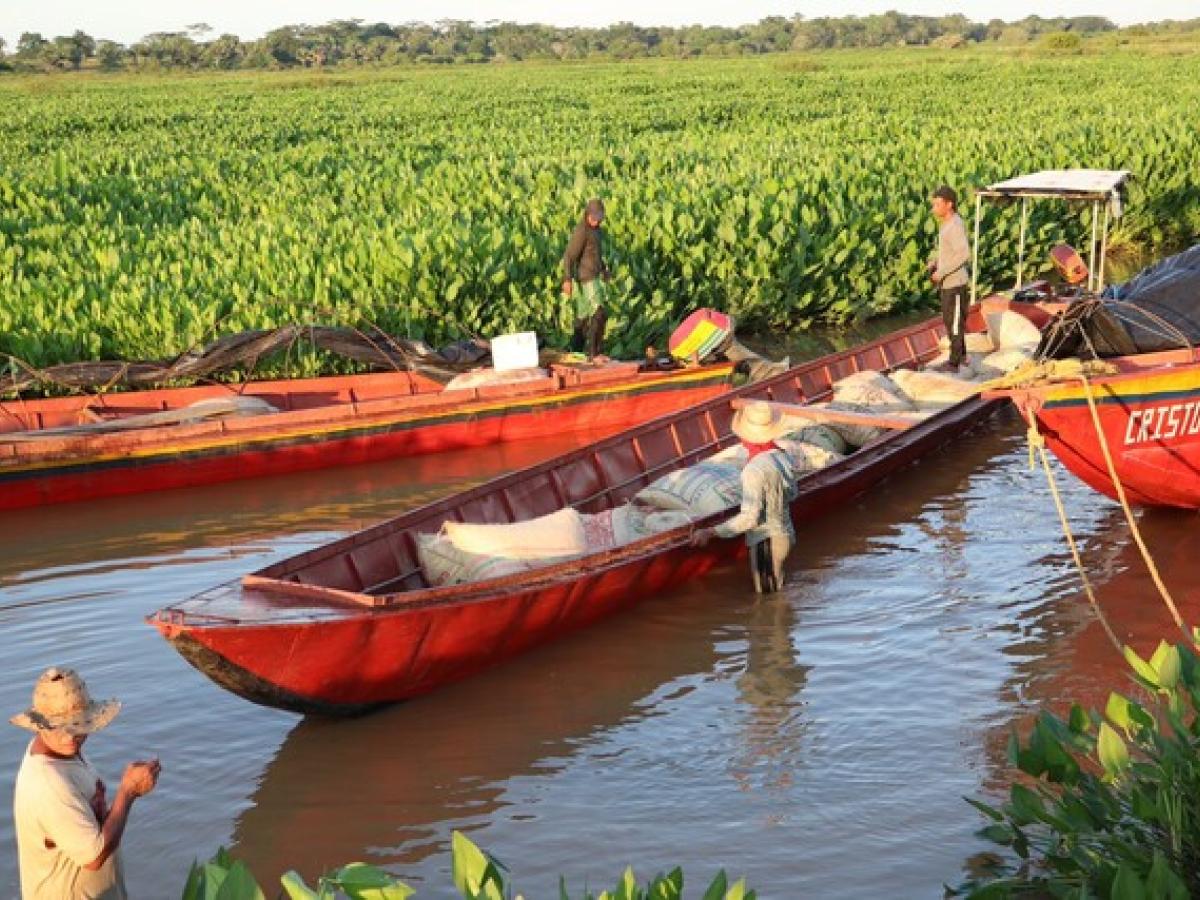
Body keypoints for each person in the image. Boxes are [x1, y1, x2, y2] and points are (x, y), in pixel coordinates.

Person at [11, 667, 161, 900]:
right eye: (59, 727)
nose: (70, 737)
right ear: (41, 726)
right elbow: (94, 856)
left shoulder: (64, 753)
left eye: (77, 725)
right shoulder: (48, 783)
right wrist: (128, 791)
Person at [691, 401, 798, 593]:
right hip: (786, 535)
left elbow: (750, 518)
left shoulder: (754, 470)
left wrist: (712, 532)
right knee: (776, 589)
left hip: (766, 540)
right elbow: (793, 493)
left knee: (769, 603)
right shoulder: (782, 456)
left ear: (746, 438)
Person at [927, 185, 972, 371]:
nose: (934, 208)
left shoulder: (954, 225)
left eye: (938, 204)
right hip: (948, 282)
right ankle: (962, 356)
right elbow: (951, 252)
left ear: (949, 204)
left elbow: (963, 254)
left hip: (955, 282)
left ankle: (954, 363)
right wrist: (936, 261)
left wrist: (942, 272)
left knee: (954, 323)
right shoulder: (946, 224)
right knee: (949, 320)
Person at [561, 198, 611, 359]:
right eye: (593, 217)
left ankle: (575, 351)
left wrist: (604, 270)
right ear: (587, 214)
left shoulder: (597, 230)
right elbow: (569, 256)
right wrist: (567, 279)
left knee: (582, 318)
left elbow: (595, 254)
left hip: (594, 275)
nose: (595, 221)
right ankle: (594, 354)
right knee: (599, 313)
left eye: (598, 218)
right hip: (586, 278)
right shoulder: (582, 231)